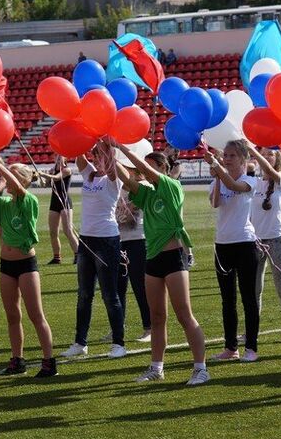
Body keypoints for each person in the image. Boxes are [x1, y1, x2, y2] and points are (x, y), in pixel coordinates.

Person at [113, 142, 209, 385]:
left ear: (163, 169)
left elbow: (143, 170)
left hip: (173, 256)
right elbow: (128, 180)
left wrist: (121, 147)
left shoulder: (171, 186)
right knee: (157, 317)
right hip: (153, 257)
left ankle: (201, 368)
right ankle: (157, 368)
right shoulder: (148, 192)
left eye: (151, 165)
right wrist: (110, 154)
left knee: (184, 315)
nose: (145, 170)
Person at [0, 157, 57, 377]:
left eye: (10, 175)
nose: (5, 178)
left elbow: (21, 189)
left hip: (26, 264)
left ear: (21, 179)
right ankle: (17, 359)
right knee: (12, 315)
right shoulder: (4, 203)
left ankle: (49, 361)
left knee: (35, 314)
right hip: (6, 265)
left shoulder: (28, 199)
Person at [61, 142, 126, 359]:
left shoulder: (113, 178)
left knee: (110, 294)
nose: (96, 158)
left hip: (107, 240)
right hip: (86, 241)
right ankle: (80, 342)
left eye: (101, 155)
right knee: (84, 294)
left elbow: (117, 169)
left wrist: (110, 149)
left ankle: (119, 343)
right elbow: (78, 154)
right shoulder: (89, 174)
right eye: (95, 154)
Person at [205, 140, 261, 362]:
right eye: (225, 155)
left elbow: (237, 187)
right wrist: (218, 176)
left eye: (232, 156)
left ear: (243, 159)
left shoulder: (250, 180)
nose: (227, 159)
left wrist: (218, 169)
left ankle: (251, 348)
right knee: (227, 299)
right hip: (223, 244)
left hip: (245, 243)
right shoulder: (217, 179)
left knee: (248, 297)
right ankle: (231, 347)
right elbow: (216, 203)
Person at [248, 145, 281, 344]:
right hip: (256, 241)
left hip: (276, 239)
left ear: (278, 158)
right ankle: (252, 330)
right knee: (254, 289)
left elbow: (269, 170)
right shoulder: (255, 183)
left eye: (270, 154)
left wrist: (254, 151)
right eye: (264, 153)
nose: (266, 157)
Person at [114, 184, 152, 344]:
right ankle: (117, 327)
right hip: (118, 239)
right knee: (118, 286)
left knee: (140, 286)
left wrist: (125, 208)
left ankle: (149, 328)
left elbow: (129, 213)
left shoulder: (143, 186)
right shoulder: (117, 187)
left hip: (138, 240)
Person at [38, 155, 79, 265]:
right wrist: (44, 179)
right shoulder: (52, 170)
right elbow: (45, 185)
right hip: (54, 202)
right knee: (53, 232)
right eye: (57, 156)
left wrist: (44, 174)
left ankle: (78, 255)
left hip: (64, 202)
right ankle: (57, 257)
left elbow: (57, 178)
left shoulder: (67, 170)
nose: (58, 158)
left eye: (61, 157)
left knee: (68, 230)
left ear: (65, 159)